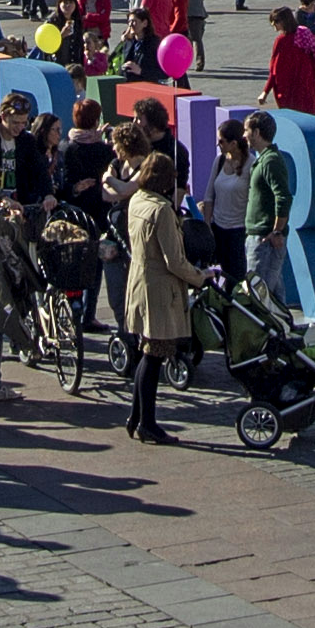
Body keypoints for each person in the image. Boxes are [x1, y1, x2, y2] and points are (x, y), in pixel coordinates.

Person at [117, 148, 199, 445]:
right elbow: (174, 261)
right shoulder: (162, 210)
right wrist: (200, 277)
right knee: (154, 356)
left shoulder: (137, 200)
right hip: (160, 293)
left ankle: (136, 416)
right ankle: (147, 424)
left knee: (146, 354)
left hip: (139, 284)